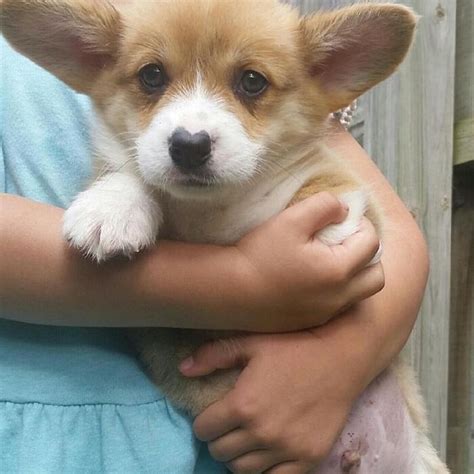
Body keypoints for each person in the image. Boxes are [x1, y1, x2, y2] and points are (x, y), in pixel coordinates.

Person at [0, 37, 428, 473]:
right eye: (152, 77)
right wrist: (243, 279)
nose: (193, 129)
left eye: (249, 82)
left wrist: (346, 354)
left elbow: (390, 234)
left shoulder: (267, 49)